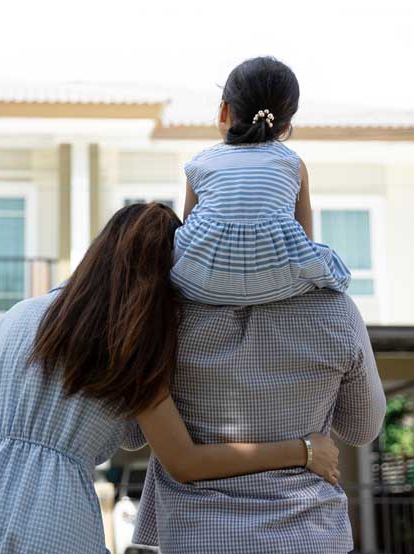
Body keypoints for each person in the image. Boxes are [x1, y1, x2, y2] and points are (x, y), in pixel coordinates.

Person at [0, 203, 341, 554]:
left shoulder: (13, 318)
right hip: (53, 520)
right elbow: (185, 462)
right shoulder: (127, 342)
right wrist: (304, 451)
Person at [127, 60, 385, 553]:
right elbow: (362, 426)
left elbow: (133, 436)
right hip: (308, 537)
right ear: (287, 125)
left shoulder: (164, 319)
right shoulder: (336, 315)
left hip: (198, 538)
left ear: (224, 111)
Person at [172, 56, 351, 306]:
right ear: (286, 124)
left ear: (224, 111)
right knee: (332, 262)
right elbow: (305, 238)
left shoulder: (199, 163)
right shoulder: (293, 164)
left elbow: (189, 230)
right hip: (278, 281)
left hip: (202, 283)